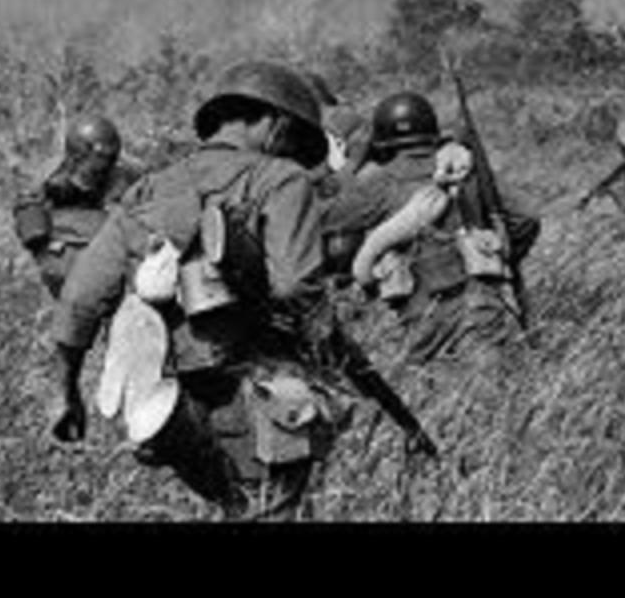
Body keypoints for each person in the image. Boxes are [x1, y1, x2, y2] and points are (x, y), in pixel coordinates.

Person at [50, 61, 366, 521]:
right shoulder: (281, 180)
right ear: (275, 124)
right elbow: (295, 287)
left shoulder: (146, 191)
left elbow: (80, 298)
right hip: (261, 387)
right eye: (293, 140)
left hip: (171, 406)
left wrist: (66, 394)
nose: (292, 153)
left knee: (236, 508)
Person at [321, 91, 539, 366]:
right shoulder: (465, 170)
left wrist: (351, 165)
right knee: (492, 382)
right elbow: (526, 217)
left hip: (419, 314)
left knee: (427, 385)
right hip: (479, 304)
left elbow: (323, 220)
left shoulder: (378, 182)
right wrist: (499, 254)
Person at [12, 114, 144, 299]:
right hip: (66, 249)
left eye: (108, 160)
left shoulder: (128, 174)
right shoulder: (50, 175)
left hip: (112, 243)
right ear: (75, 157)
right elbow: (28, 215)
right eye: (97, 162)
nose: (102, 167)